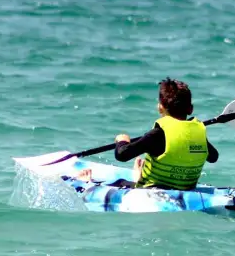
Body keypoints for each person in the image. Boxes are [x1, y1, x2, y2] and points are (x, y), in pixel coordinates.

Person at [77, 78, 219, 189]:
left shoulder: (158, 134)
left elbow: (122, 155)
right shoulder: (198, 130)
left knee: (119, 183)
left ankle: (86, 185)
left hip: (153, 190)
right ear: (190, 109)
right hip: (186, 189)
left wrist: (122, 141)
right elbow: (213, 157)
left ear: (160, 107)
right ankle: (140, 176)